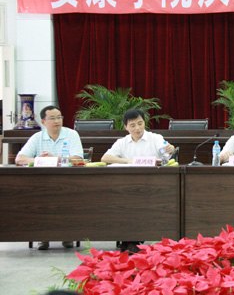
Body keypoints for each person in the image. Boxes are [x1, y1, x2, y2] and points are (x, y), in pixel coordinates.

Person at [101, 108, 175, 253]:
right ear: (126, 127)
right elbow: (105, 158)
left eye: (140, 123)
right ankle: (130, 240)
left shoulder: (155, 138)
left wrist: (170, 149)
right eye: (133, 125)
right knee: (123, 203)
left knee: (138, 203)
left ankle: (131, 241)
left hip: (153, 185)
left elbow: (166, 155)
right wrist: (128, 161)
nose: (137, 128)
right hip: (128, 186)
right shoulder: (122, 142)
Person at [15, 105, 84, 251]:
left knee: (69, 201)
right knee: (40, 201)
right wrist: (39, 160)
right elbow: (20, 159)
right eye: (52, 118)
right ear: (43, 121)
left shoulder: (72, 134)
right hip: (42, 182)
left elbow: (78, 159)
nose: (57, 121)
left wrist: (55, 159)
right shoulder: (37, 137)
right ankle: (43, 236)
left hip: (69, 182)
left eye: (59, 117)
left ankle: (68, 235)